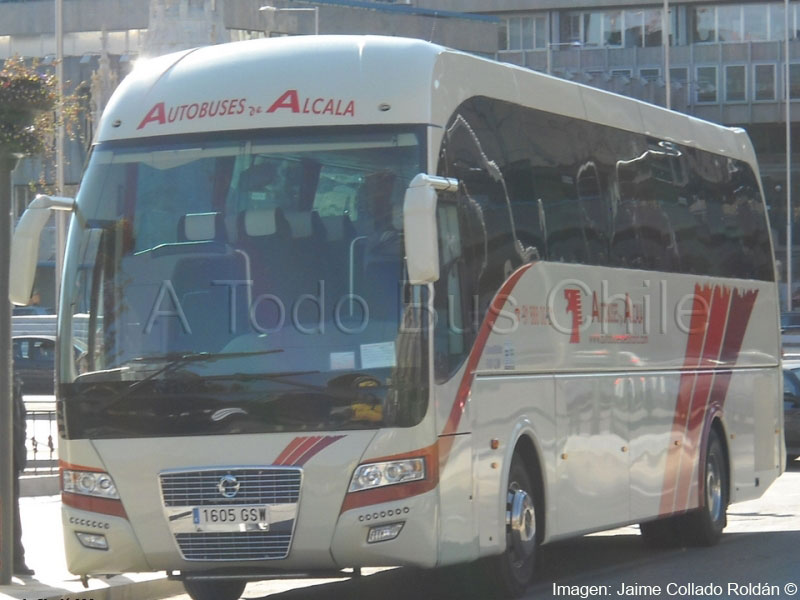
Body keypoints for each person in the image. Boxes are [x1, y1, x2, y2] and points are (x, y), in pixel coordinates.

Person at [12, 375, 34, 576]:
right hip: (9, 455)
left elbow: (21, 421)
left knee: (11, 511)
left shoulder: (13, 382)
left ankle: (16, 558)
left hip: (11, 456)